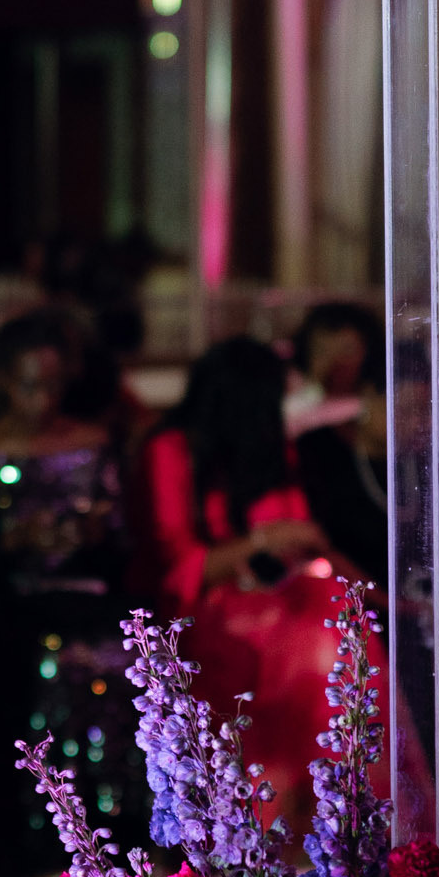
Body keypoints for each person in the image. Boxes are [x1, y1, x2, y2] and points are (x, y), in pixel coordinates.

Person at [137, 334, 354, 816]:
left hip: (273, 600)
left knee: (329, 616)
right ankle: (276, 817)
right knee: (309, 640)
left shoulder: (271, 448)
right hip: (200, 615)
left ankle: (324, 818)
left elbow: (297, 535)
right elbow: (178, 569)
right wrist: (262, 540)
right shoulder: (172, 449)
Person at [0, 309, 130, 877]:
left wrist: (93, 533)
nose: (46, 398)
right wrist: (13, 539)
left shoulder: (92, 443)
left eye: (55, 385)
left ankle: (115, 837)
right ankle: (40, 840)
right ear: (4, 381)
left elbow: (123, 546)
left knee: (123, 656)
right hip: (11, 603)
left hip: (86, 593)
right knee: (48, 662)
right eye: (33, 385)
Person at [289, 301, 392, 592]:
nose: (335, 361)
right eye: (322, 351)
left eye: (347, 350)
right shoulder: (294, 409)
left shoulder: (375, 416)